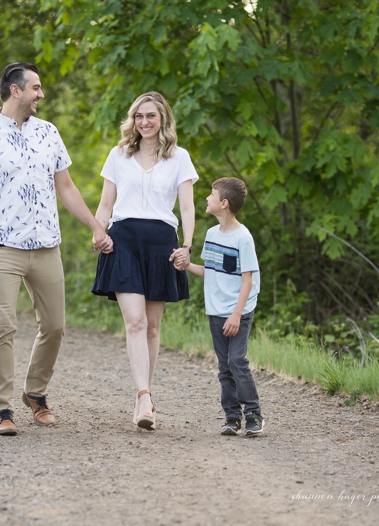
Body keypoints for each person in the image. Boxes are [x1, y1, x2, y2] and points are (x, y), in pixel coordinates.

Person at [0, 62, 113, 436]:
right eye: (36, 88)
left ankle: (35, 393)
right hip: (2, 247)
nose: (41, 94)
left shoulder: (48, 133)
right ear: (15, 90)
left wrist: (95, 226)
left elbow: (67, 188)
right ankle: (2, 409)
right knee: (3, 326)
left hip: (46, 246)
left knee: (55, 326)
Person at [91, 91, 197, 429]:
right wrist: (98, 232)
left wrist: (188, 245)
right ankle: (144, 396)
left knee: (152, 326)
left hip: (160, 244)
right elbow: (106, 205)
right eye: (139, 116)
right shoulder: (118, 155)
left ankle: (143, 397)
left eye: (151, 116)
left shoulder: (179, 157)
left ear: (163, 119)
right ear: (132, 120)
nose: (144, 122)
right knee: (135, 321)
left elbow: (188, 207)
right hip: (123, 242)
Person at [173, 177, 264, 436]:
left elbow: (248, 280)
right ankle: (232, 417)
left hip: (238, 312)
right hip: (216, 311)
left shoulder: (243, 238)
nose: (206, 199)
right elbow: (210, 271)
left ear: (223, 203)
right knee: (224, 366)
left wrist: (236, 315)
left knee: (237, 361)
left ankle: (254, 413)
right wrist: (186, 265)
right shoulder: (212, 235)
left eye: (211, 195)